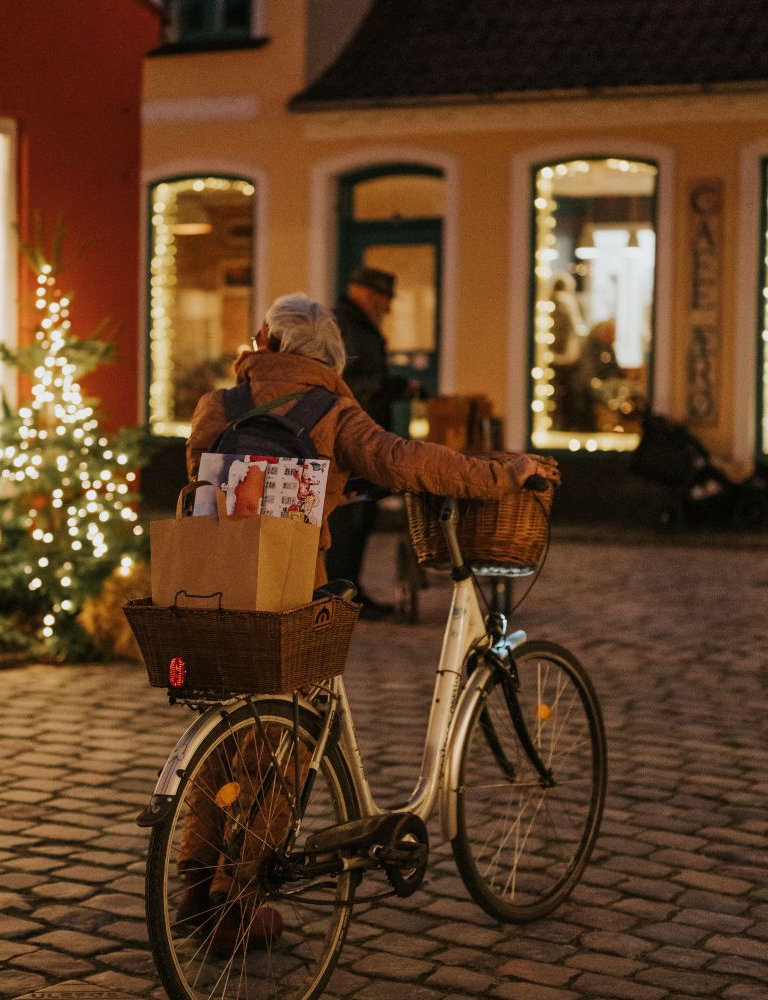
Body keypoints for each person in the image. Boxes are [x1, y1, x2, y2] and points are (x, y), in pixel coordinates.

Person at [182, 293, 559, 954]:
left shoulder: (217, 405)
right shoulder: (332, 409)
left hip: (215, 588)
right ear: (330, 361)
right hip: (296, 594)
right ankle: (236, 898)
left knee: (231, 730)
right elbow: (406, 460)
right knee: (292, 746)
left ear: (267, 343)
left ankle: (192, 878)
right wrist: (503, 474)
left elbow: (201, 476)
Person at [327, 266, 415, 618]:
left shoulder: (358, 325)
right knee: (349, 519)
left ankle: (349, 590)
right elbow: (348, 384)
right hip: (352, 438)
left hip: (364, 435)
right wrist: (392, 388)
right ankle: (340, 594)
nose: (388, 308)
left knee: (362, 517)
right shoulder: (346, 325)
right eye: (385, 299)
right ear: (367, 294)